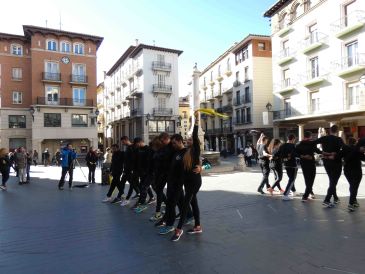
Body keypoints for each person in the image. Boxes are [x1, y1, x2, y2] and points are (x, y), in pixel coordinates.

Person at [171, 111, 203, 242]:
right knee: (193, 203)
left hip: (194, 182)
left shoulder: (195, 150)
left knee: (185, 205)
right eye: (187, 139)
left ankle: (178, 229)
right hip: (187, 181)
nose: (188, 140)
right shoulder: (186, 152)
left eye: (190, 139)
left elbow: (195, 136)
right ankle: (198, 226)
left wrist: (196, 121)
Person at [313, 125, 344, 207]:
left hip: (326, 162)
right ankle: (327, 200)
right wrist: (335, 155)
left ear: (330, 130)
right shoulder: (339, 139)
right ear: (337, 131)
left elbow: (313, 143)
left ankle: (336, 198)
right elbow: (344, 150)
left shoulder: (324, 138)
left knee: (332, 180)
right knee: (334, 181)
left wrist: (322, 152)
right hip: (336, 162)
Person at [295, 131, 321, 202]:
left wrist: (302, 156)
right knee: (311, 178)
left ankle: (310, 192)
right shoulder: (312, 143)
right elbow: (318, 151)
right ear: (310, 136)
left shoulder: (298, 143)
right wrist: (325, 153)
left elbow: (295, 153)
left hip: (303, 163)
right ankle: (305, 195)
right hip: (311, 163)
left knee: (306, 178)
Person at [342, 138, 365, 212]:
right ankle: (351, 204)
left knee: (352, 186)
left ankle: (354, 201)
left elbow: (339, 156)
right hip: (356, 171)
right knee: (354, 187)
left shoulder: (345, 148)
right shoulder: (357, 151)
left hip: (347, 171)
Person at [120, 136, 140, 206]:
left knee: (132, 184)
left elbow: (133, 160)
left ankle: (127, 199)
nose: (122, 143)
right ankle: (122, 195)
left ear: (126, 140)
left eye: (123, 142)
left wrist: (132, 169)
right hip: (127, 169)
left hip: (131, 170)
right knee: (124, 182)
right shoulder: (128, 148)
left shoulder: (133, 147)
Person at [279, 134, 298, 201]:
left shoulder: (282, 146)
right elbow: (296, 154)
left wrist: (285, 158)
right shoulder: (293, 146)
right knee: (292, 179)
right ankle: (285, 194)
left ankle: (294, 191)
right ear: (293, 139)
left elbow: (280, 155)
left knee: (291, 178)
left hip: (286, 165)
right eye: (294, 139)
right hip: (293, 165)